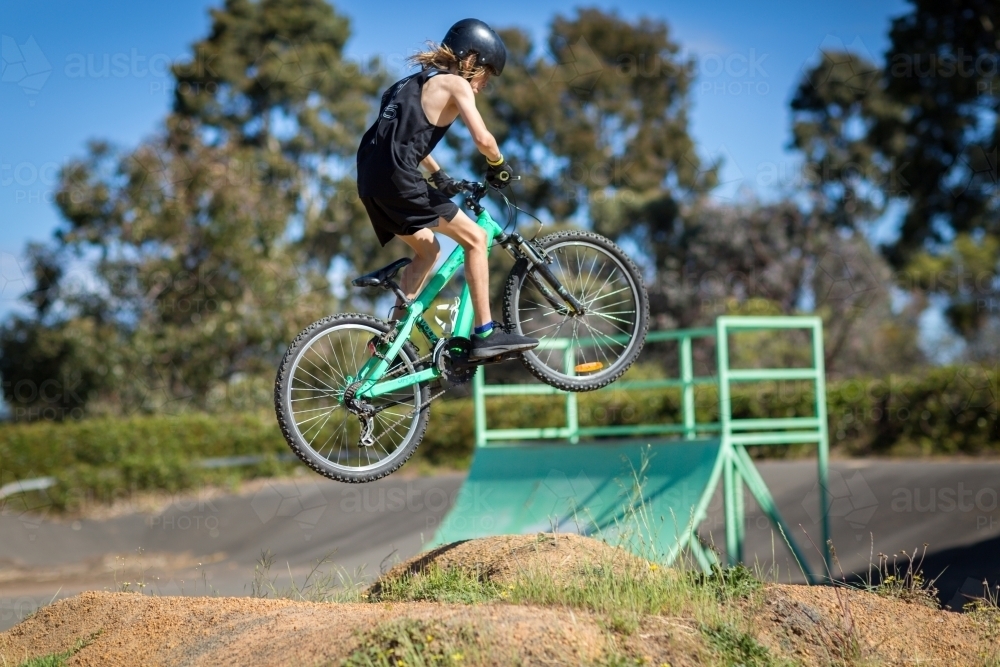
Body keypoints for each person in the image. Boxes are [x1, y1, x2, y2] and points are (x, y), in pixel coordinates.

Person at [356, 19, 539, 360]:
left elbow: (405, 142)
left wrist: (439, 177)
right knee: (476, 239)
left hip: (369, 181)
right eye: (486, 74)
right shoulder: (456, 84)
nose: (483, 84)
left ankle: (389, 344)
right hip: (397, 178)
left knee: (428, 251)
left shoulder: (401, 86)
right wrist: (498, 166)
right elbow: (484, 139)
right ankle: (485, 333)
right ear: (470, 60)